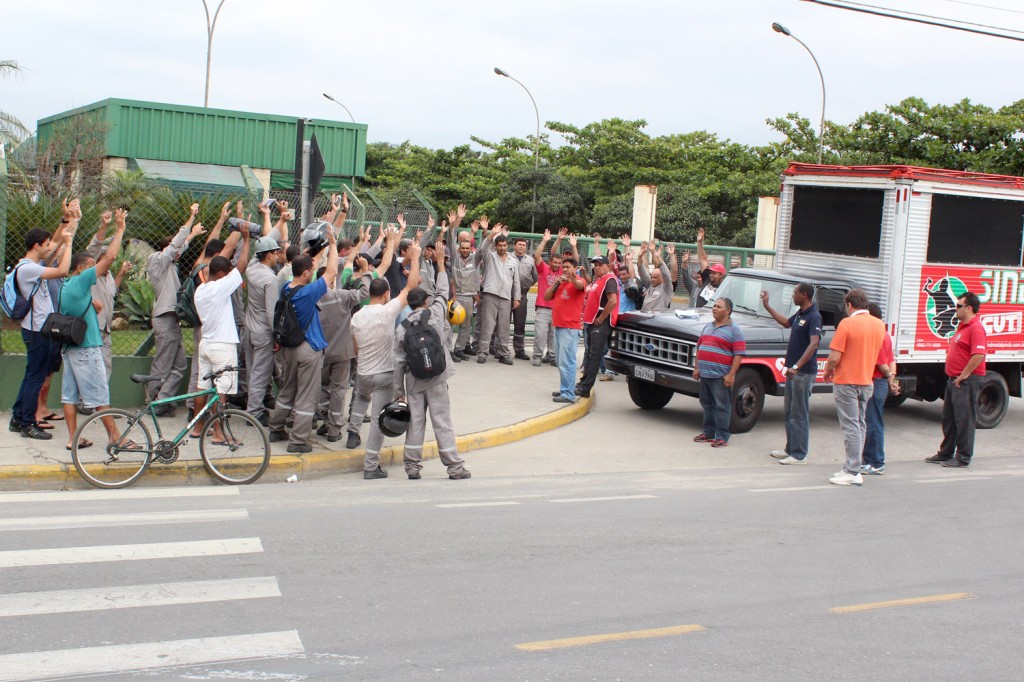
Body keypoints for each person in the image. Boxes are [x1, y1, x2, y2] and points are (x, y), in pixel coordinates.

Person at [394, 238, 471, 480]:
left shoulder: (402, 327)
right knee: (442, 421)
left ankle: (413, 468)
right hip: (437, 377)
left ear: (409, 303)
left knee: (415, 425)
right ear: (426, 301)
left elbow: (398, 362)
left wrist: (399, 390)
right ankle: (454, 468)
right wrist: (440, 265)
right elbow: (443, 291)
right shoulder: (436, 315)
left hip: (414, 381)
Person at [347, 244, 421, 479]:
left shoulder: (357, 317)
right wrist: (416, 258)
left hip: (363, 373)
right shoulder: (388, 311)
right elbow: (410, 287)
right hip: (384, 375)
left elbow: (356, 348)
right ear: (387, 294)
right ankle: (370, 466)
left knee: (359, 400)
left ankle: (352, 431)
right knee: (380, 420)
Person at [59, 209, 129, 450]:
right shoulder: (80, 281)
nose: (94, 272)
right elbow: (108, 257)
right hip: (87, 349)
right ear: (80, 269)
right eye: (91, 268)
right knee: (100, 396)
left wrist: (91, 307)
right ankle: (115, 437)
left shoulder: (66, 285)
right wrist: (119, 230)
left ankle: (72, 439)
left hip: (69, 349)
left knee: (69, 395)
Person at [268, 223, 340, 454]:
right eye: (311, 268)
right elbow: (331, 273)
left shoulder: (287, 288)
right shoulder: (309, 292)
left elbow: (312, 264)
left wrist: (317, 252)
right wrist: (333, 243)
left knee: (287, 389)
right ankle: (298, 439)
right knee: (308, 395)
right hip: (308, 348)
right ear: (307, 273)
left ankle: (276, 427)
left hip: (289, 347)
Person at [316, 231, 394, 443]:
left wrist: (354, 253)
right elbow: (385, 263)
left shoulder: (347, 279)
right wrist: (392, 240)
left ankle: (327, 420)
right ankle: (346, 422)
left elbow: (348, 261)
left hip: (337, 342)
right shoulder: (369, 283)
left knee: (327, 387)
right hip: (358, 345)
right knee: (352, 387)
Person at [9, 204, 77, 439]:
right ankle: (28, 423)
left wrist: (65, 221)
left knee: (32, 375)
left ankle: (18, 418)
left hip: (40, 329)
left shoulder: (32, 265)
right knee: (35, 378)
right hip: (37, 331)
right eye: (46, 245)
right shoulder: (28, 269)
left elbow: (55, 242)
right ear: (37, 246)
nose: (51, 247)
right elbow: (62, 271)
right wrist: (68, 244)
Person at [822, 289, 887, 486]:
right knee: (860, 424)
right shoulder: (879, 325)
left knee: (851, 427)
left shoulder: (847, 323)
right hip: (867, 380)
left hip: (847, 381)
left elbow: (835, 356)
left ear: (849, 305)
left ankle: (852, 469)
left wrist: (827, 371)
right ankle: (854, 466)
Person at [145, 205, 206, 413]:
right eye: (175, 251)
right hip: (164, 318)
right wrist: (190, 219)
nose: (179, 254)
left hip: (172, 320)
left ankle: (163, 399)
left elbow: (180, 247)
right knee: (163, 363)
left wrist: (194, 235)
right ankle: (153, 400)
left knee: (180, 366)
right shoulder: (157, 262)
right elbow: (176, 246)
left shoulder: (170, 265)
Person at [191, 229, 251, 443]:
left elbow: (222, 266)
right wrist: (245, 239)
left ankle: (198, 426)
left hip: (206, 343)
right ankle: (218, 432)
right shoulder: (220, 287)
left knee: (202, 387)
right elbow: (241, 267)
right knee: (221, 391)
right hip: (222, 345)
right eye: (226, 273)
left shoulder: (201, 290)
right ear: (220, 275)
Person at [761, 282, 822, 465]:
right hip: (793, 373)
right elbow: (786, 323)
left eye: (795, 293)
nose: (792, 296)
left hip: (803, 373)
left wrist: (797, 366)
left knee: (799, 414)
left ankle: (799, 454)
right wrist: (767, 306)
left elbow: (814, 344)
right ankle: (790, 448)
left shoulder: (814, 316)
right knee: (789, 412)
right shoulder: (800, 314)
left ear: (804, 295)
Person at [926, 291, 987, 468]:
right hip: (955, 379)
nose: (955, 308)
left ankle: (963, 457)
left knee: (964, 419)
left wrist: (964, 375)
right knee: (949, 418)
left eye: (959, 305)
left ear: (969, 308)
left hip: (966, 381)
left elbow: (978, 354)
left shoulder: (976, 327)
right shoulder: (963, 326)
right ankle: (946, 453)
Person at [693, 297, 746, 447]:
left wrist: (731, 374)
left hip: (720, 377)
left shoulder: (734, 330)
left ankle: (722, 436)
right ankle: (708, 433)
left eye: (719, 307)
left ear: (728, 311)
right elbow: (699, 348)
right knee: (706, 404)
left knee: (722, 406)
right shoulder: (708, 327)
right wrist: (697, 368)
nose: (714, 308)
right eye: (714, 306)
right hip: (705, 374)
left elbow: (739, 354)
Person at [85, 210, 132, 379]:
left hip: (105, 328)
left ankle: (101, 402)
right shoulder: (91, 273)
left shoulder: (108, 275)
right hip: (93, 326)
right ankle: (87, 402)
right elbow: (94, 248)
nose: (111, 258)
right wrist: (105, 226)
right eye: (106, 257)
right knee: (92, 366)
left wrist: (121, 273)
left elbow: (111, 292)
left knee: (105, 367)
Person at [243, 236, 284, 427]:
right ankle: (254, 413)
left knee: (254, 372)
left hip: (250, 328)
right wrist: (276, 335)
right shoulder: (270, 278)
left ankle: (256, 406)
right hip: (263, 332)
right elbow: (271, 311)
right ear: (268, 255)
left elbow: (254, 254)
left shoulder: (251, 269)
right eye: (275, 252)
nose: (278, 255)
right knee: (260, 374)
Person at [475, 218, 521, 365]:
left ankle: (503, 353)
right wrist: (491, 233)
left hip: (506, 297)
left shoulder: (513, 261)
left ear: (507, 245)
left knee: (504, 327)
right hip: (490, 294)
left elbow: (516, 281)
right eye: (499, 245)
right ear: (496, 246)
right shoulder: (490, 257)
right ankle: (483, 352)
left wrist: (517, 297)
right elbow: (483, 247)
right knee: (487, 325)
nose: (502, 247)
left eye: (504, 245)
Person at [862, 303, 899, 475]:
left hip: (876, 382)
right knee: (872, 422)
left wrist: (887, 375)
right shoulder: (885, 335)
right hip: (881, 382)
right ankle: (869, 460)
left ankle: (876, 462)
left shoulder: (877, 336)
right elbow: (892, 361)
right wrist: (891, 379)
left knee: (873, 423)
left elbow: (883, 364)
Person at [575, 255, 618, 399]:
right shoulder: (599, 279)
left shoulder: (610, 280)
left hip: (599, 323)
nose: (597, 267)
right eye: (595, 264)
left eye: (600, 264)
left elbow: (612, 301)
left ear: (608, 266)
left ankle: (586, 388)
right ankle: (583, 383)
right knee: (589, 354)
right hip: (591, 321)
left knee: (594, 355)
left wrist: (601, 318)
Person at [544, 257, 586, 403]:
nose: (565, 269)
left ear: (575, 268)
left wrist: (573, 280)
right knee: (561, 360)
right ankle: (565, 389)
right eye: (564, 267)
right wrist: (556, 283)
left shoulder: (578, 281)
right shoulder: (561, 283)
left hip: (569, 328)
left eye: (568, 267)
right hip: (559, 326)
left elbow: (580, 285)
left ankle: (568, 393)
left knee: (567, 361)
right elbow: (547, 296)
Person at [532, 229, 562, 365]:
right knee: (540, 333)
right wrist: (544, 241)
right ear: (550, 262)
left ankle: (552, 355)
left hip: (557, 308)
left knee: (554, 334)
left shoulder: (563, 271)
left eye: (558, 263)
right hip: (543, 307)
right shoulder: (543, 268)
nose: (556, 265)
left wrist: (560, 240)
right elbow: (537, 256)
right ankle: (537, 355)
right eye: (554, 262)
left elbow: (576, 260)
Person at [451, 231, 480, 360]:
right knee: (450, 324)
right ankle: (448, 349)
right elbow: (451, 240)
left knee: (466, 325)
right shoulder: (455, 258)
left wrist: (484, 232)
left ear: (470, 249)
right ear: (459, 249)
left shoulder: (475, 259)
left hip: (469, 297)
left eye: (467, 248)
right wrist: (454, 224)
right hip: (456, 297)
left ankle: (460, 348)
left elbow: (484, 248)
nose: (465, 250)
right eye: (462, 248)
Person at [511, 236, 538, 361]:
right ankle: (497, 348)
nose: (521, 247)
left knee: (520, 324)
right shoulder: (508, 257)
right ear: (514, 245)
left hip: (522, 295)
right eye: (519, 244)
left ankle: (519, 350)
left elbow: (535, 277)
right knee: (502, 323)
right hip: (507, 295)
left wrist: (527, 286)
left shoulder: (530, 260)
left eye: (524, 245)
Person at [694, 227, 726, 308]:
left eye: (714, 273)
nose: (711, 274)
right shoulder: (707, 279)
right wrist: (699, 242)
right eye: (711, 272)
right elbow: (702, 259)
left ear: (721, 275)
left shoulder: (723, 289)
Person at [638, 242, 674, 312]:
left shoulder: (666, 288)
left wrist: (657, 255)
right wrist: (640, 257)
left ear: (662, 278)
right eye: (652, 277)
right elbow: (642, 273)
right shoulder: (650, 285)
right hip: (644, 317)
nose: (652, 279)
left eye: (655, 277)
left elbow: (667, 275)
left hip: (657, 319)